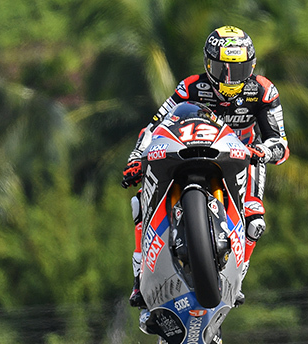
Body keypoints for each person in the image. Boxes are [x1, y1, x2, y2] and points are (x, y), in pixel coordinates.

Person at [121, 25, 289, 309]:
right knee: (140, 202)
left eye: (237, 70)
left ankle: (236, 281)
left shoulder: (263, 91)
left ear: (252, 66)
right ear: (207, 64)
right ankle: (139, 277)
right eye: (221, 68)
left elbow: (281, 143)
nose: (229, 78)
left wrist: (262, 150)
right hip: (192, 150)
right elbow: (154, 126)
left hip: (243, 157)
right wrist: (137, 157)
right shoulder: (190, 87)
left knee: (256, 222)